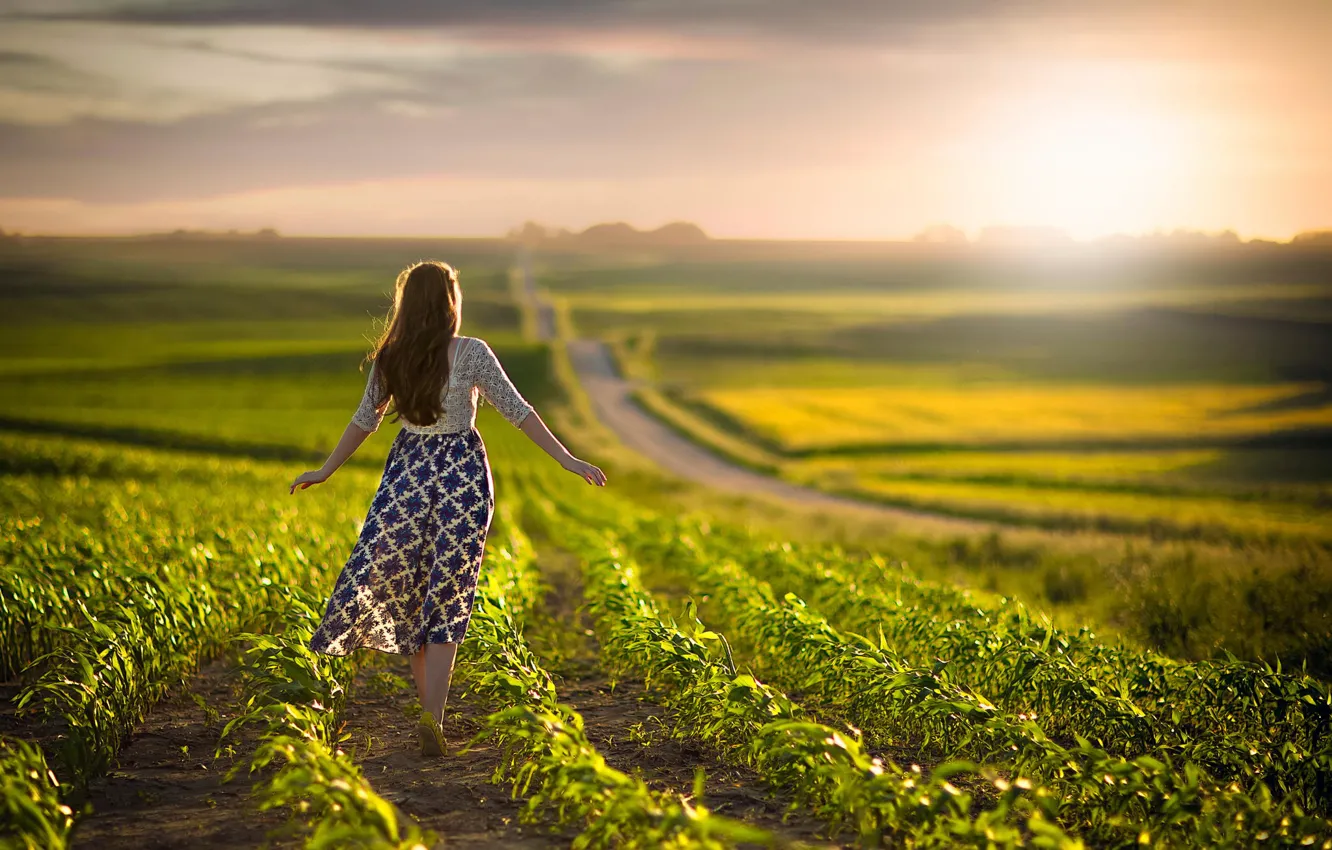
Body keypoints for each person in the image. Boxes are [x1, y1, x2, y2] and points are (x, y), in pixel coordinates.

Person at [288, 259, 606, 757]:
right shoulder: (471, 352)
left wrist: (325, 470)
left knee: (413, 595)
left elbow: (362, 421)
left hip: (407, 477)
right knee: (448, 593)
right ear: (448, 302)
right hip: (461, 478)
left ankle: (428, 718)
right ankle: (432, 722)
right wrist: (566, 458)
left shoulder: (391, 356)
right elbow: (518, 411)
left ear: (407, 304)